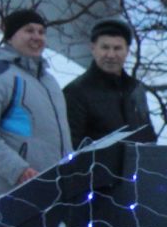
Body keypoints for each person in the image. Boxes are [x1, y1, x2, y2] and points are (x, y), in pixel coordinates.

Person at [0, 9, 71, 202]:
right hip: (13, 196)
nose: (37, 37)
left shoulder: (49, 82)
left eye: (41, 32)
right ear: (11, 37)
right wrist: (18, 170)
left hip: (54, 192)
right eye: (29, 31)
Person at [64, 17, 159, 147]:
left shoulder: (135, 89)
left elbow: (148, 137)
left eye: (117, 48)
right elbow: (71, 145)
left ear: (127, 51)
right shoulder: (76, 92)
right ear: (93, 48)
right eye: (105, 47)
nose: (111, 55)